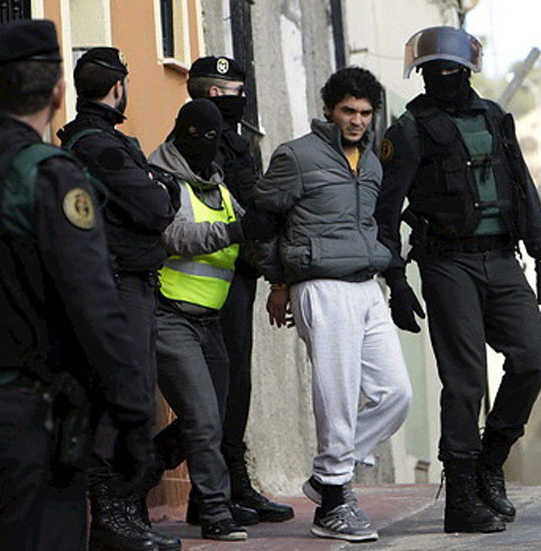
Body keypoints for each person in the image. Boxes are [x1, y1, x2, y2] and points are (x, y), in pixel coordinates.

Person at [0, 19, 153, 551]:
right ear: (58, 91)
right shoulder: (47, 175)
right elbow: (94, 304)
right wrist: (134, 417)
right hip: (26, 425)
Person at [375, 26, 541, 533]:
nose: (441, 78)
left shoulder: (494, 119)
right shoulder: (409, 130)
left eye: (449, 70)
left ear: (467, 71)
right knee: (465, 381)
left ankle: (489, 462)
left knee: (533, 354)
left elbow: (522, 188)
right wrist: (397, 280)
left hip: (502, 259)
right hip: (446, 263)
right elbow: (386, 213)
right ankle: (461, 497)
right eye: (431, 71)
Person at [250, 66, 412, 542]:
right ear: (329, 109)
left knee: (396, 394)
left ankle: (327, 476)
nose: (357, 120)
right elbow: (263, 221)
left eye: (365, 113)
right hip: (320, 285)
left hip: (366, 285)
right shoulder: (296, 156)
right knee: (336, 394)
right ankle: (334, 505)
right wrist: (276, 283)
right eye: (348, 110)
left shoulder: (373, 162)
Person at [57, 46, 180, 551]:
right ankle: (112, 515)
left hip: (124, 282)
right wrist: (160, 187)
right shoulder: (98, 145)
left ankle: (124, 510)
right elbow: (155, 203)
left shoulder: (95, 141)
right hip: (117, 283)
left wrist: (160, 184)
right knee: (122, 397)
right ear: (118, 87)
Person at [140, 99, 278, 541]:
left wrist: (282, 274)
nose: (204, 143)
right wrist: (238, 231)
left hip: (209, 323)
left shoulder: (218, 188)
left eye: (212, 136)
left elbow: (250, 236)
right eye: (195, 134)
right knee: (202, 418)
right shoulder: (160, 179)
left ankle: (135, 474)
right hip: (169, 317)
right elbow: (175, 235)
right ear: (179, 130)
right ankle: (216, 512)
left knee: (213, 419)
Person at [184, 55, 294, 524]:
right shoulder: (198, 139)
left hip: (239, 270)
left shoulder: (237, 140)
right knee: (219, 386)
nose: (242, 99)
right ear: (213, 94)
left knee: (237, 383)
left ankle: (232, 481)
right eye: (234, 92)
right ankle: (212, 489)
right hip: (210, 275)